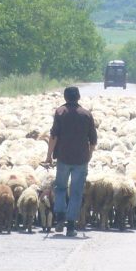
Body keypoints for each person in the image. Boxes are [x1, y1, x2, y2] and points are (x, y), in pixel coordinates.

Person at [44, 86, 97, 237]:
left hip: (63, 158)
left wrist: (48, 156)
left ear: (65, 98)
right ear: (79, 97)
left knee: (60, 187)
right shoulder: (86, 115)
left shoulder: (60, 112)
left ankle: (60, 218)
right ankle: (71, 226)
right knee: (76, 191)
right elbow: (93, 139)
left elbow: (54, 136)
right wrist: (90, 155)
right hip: (81, 159)